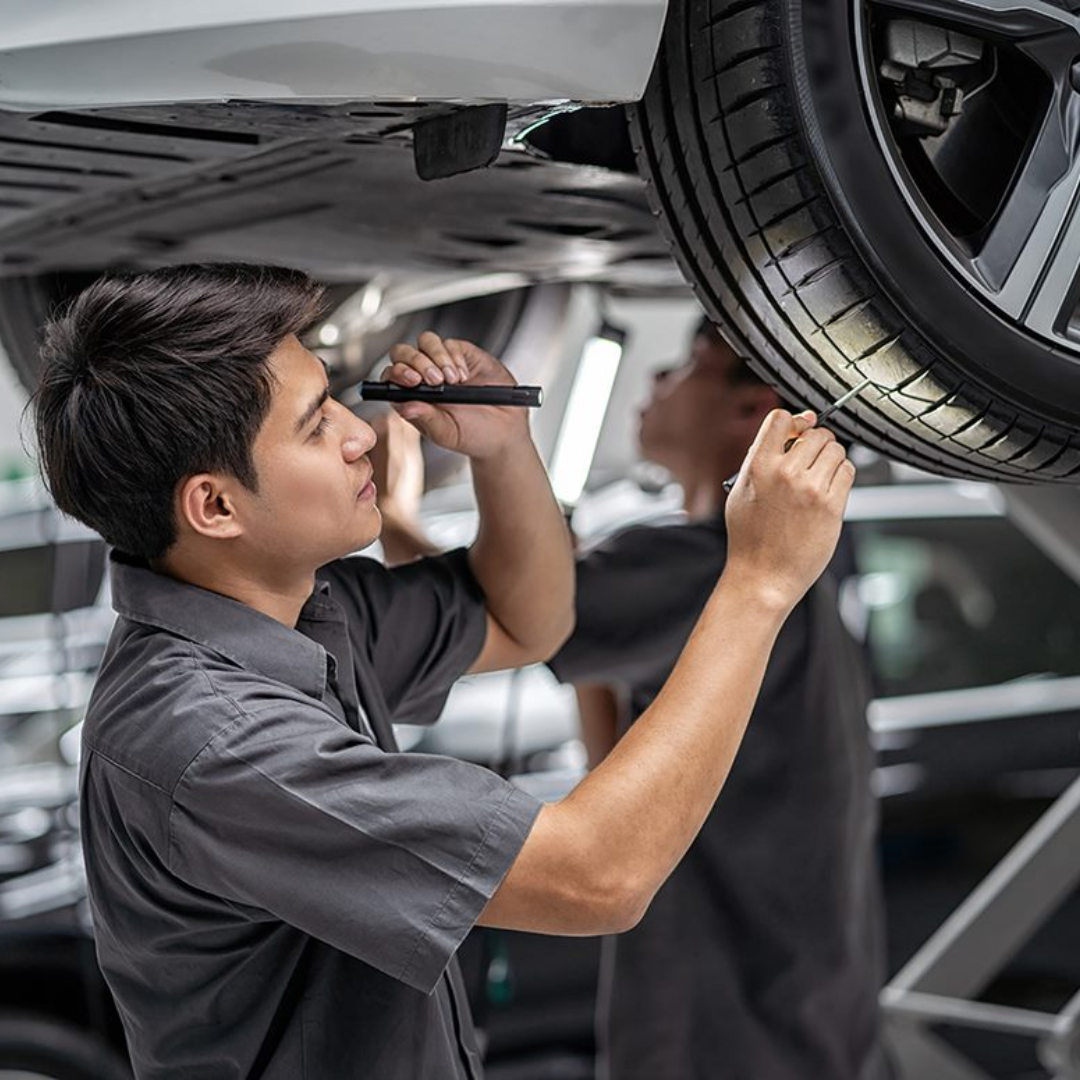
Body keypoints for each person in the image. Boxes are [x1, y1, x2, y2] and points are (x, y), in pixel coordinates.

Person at [31, 264, 854, 1079]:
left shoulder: (307, 613)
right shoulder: (218, 741)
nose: (360, 433)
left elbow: (524, 619)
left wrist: (503, 453)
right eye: (316, 425)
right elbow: (599, 877)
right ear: (215, 507)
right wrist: (759, 583)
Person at [548, 318, 889, 1080]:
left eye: (680, 366)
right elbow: (612, 757)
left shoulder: (702, 565)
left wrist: (415, 491)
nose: (655, 384)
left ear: (754, 410)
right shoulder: (804, 574)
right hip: (808, 1021)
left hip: (723, 1032)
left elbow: (507, 617)